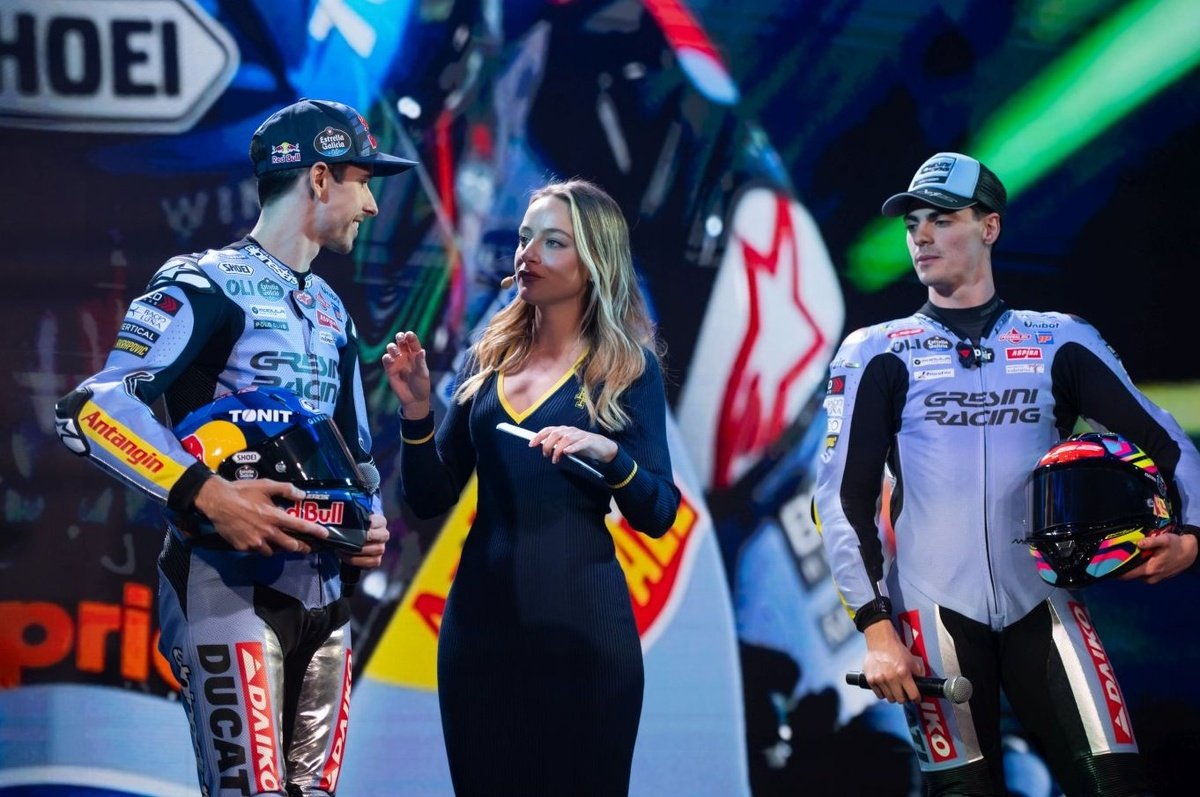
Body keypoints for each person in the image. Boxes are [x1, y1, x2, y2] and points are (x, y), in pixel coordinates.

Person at [53, 98, 414, 796]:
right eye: (363, 181)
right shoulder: (201, 281)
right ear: (318, 178)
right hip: (225, 582)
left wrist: (367, 520)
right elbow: (93, 407)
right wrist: (208, 493)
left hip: (326, 593)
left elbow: (357, 455)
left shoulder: (333, 311)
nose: (371, 205)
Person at [813, 152, 1200, 795]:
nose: (922, 236)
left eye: (943, 219)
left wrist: (1191, 535)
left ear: (989, 227)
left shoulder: (1061, 340)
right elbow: (840, 499)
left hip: (1045, 605)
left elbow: (1170, 445)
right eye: (912, 224)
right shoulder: (875, 350)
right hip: (930, 614)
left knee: (1117, 784)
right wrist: (877, 630)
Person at [383, 178, 681, 796]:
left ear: (593, 260)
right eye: (525, 239)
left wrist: (610, 455)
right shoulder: (489, 358)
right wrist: (416, 412)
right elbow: (430, 497)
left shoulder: (628, 369)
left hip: (584, 638)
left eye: (553, 242)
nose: (529, 254)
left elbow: (658, 512)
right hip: (480, 636)